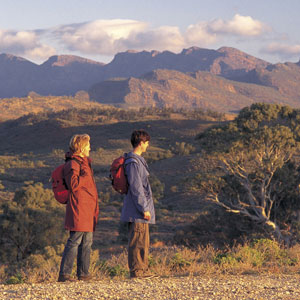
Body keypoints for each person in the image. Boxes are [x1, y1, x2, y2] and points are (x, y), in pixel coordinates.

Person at [58, 134, 99, 282]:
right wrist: (85, 175)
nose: (90, 148)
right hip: (79, 207)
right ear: (81, 147)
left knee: (87, 241)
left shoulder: (83, 163)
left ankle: (84, 274)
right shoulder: (73, 164)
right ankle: (65, 275)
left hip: (87, 208)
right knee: (75, 240)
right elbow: (73, 185)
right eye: (88, 145)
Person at [121, 129, 156, 279]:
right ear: (141, 143)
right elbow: (136, 188)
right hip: (137, 210)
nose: (148, 145)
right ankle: (137, 271)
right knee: (137, 241)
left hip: (139, 209)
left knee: (143, 241)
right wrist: (144, 208)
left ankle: (143, 270)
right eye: (147, 142)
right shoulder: (134, 162)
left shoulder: (135, 161)